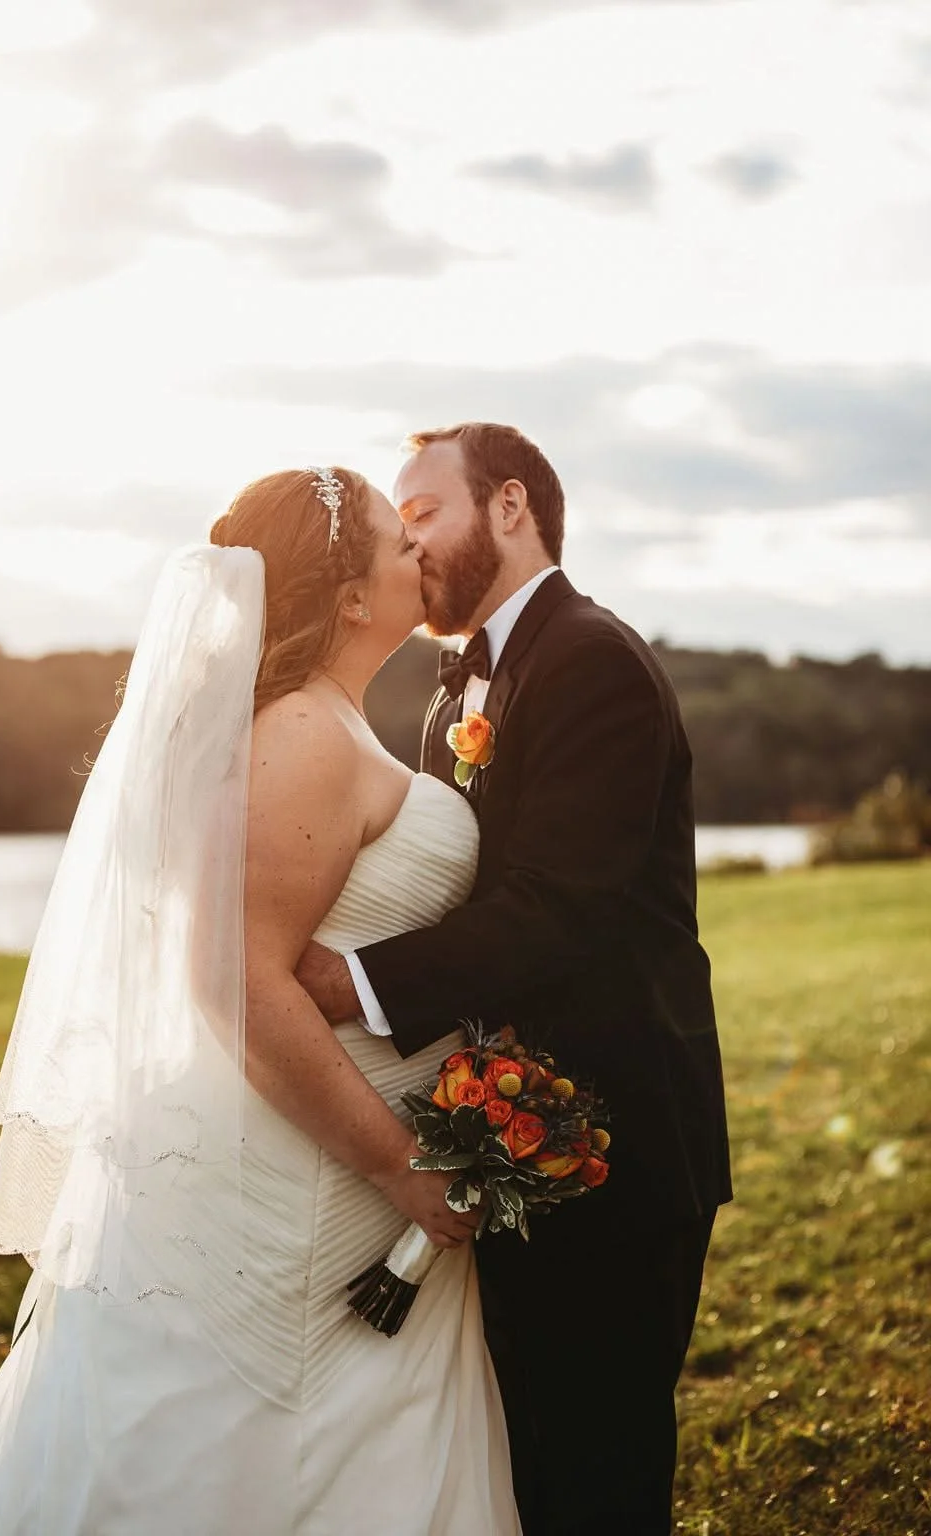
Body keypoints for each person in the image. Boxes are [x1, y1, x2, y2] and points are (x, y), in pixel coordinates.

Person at [0, 467, 519, 1536]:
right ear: (342, 596)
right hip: (310, 1188)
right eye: (394, 543)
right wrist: (400, 1163)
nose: (417, 554)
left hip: (345, 1193)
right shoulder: (297, 732)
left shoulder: (331, 724)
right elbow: (232, 980)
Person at [297, 423, 734, 1536]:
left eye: (423, 512)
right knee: (528, 1450)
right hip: (511, 1129)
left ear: (506, 506)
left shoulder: (590, 658)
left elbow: (562, 905)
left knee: (597, 1462)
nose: (407, 538)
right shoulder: (457, 694)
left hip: (615, 1138)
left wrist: (355, 984)